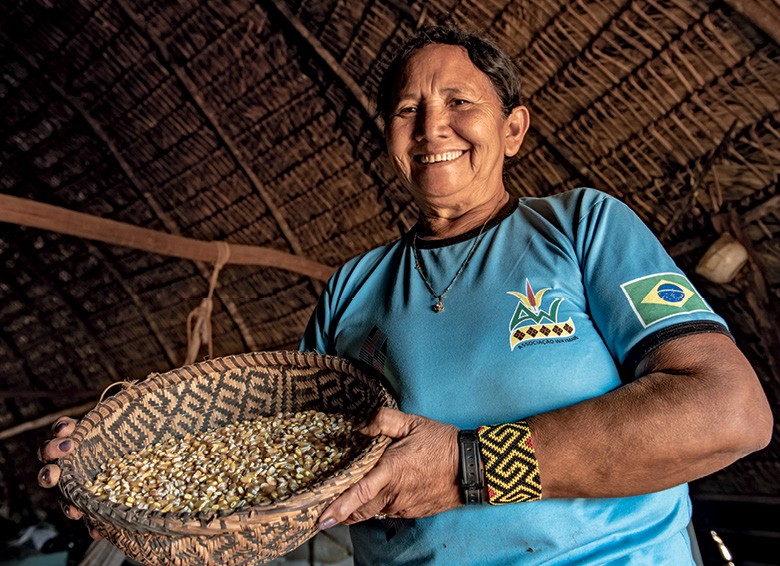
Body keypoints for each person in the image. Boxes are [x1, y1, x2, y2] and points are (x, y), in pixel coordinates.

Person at [40, 26, 772, 565]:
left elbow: (730, 412)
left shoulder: (581, 228)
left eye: (460, 101)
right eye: (406, 110)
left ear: (512, 129)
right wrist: (129, 481)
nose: (432, 128)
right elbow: (280, 473)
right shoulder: (352, 289)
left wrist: (465, 468)